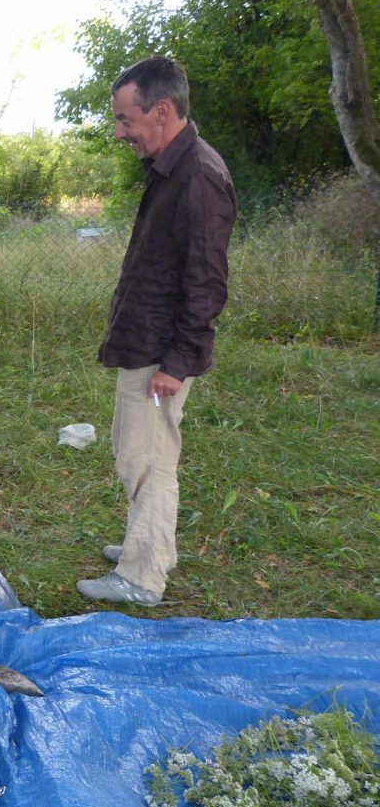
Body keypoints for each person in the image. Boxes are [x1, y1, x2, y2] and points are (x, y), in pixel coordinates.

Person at [77, 56, 237, 607]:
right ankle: (146, 546)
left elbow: (207, 283)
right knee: (139, 451)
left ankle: (141, 576)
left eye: (126, 120)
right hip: (145, 340)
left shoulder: (199, 178)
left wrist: (178, 362)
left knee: (147, 459)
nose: (120, 132)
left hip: (160, 352)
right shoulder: (176, 168)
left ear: (161, 110)